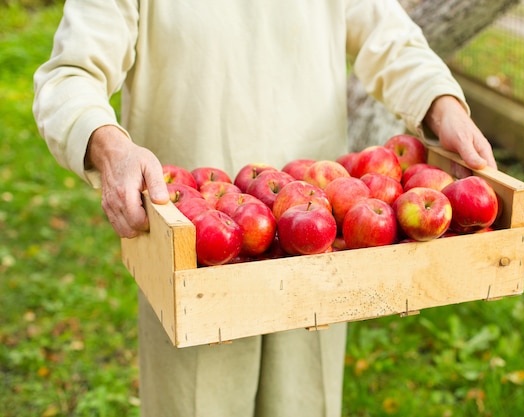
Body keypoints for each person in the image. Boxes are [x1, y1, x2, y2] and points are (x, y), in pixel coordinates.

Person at [33, 1, 497, 416]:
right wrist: (107, 146)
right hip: (188, 245)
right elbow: (69, 75)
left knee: (302, 397)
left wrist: (443, 105)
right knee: (197, 400)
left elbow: (390, 37)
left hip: (319, 239)